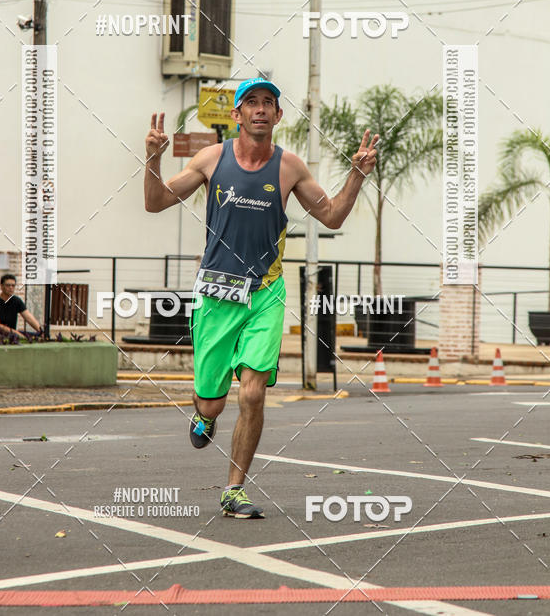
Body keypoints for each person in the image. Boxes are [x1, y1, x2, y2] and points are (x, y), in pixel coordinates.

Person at [144, 78, 378, 518]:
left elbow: (329, 215)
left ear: (277, 115)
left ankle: (234, 488)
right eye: (250, 103)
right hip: (215, 294)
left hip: (265, 293)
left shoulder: (290, 168)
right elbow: (156, 202)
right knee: (211, 400)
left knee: (252, 394)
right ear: (236, 115)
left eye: (268, 103)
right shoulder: (211, 160)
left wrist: (357, 176)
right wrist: (153, 158)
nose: (259, 109)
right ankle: (206, 415)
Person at [0, 274, 42, 338]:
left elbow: (28, 317)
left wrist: (40, 331)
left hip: (11, 334)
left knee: (35, 336)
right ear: (1, 286)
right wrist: (16, 333)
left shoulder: (16, 301)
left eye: (13, 285)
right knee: (21, 337)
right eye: (8, 285)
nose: (11, 288)